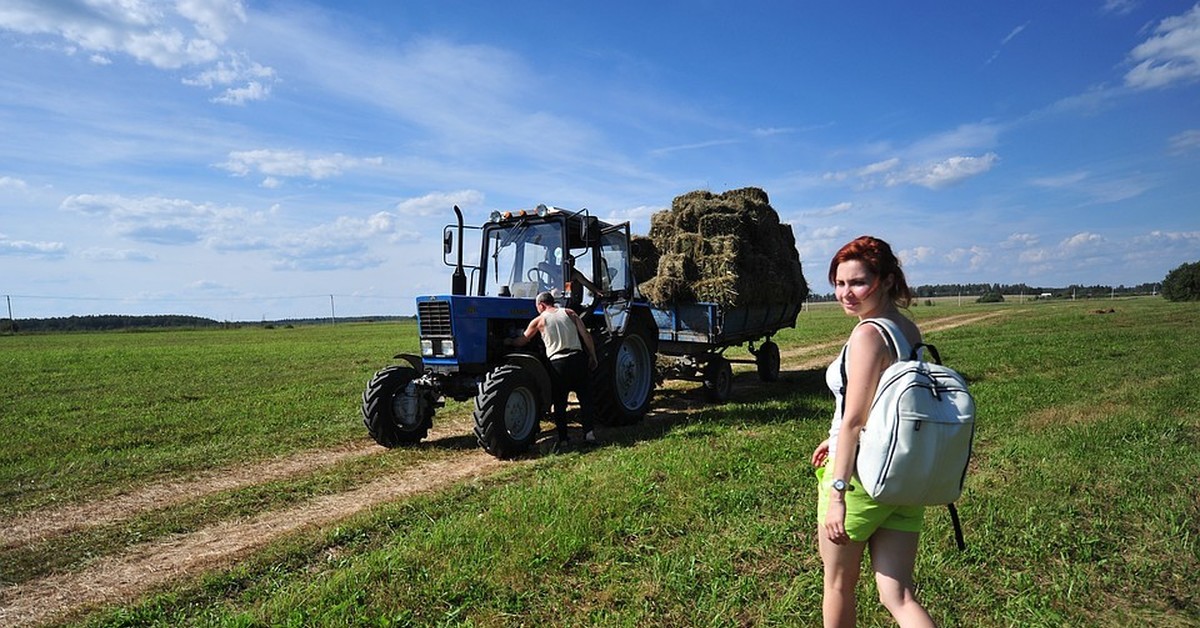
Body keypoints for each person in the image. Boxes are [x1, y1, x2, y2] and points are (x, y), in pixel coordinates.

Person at [810, 236, 935, 627]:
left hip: (862, 477)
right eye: (839, 283)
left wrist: (838, 496)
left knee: (837, 586)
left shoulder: (868, 334)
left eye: (857, 282)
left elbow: (854, 420)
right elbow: (889, 399)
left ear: (883, 280)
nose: (846, 293)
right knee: (898, 596)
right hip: (903, 475)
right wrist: (835, 436)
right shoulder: (906, 329)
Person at [506, 291, 599, 450]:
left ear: (541, 305)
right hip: (577, 359)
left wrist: (508, 341)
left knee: (560, 402)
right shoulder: (570, 313)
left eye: (537, 307)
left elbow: (523, 340)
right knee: (585, 398)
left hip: (558, 363)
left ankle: (563, 439)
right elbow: (586, 335)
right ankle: (589, 434)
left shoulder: (539, 320)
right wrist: (593, 356)